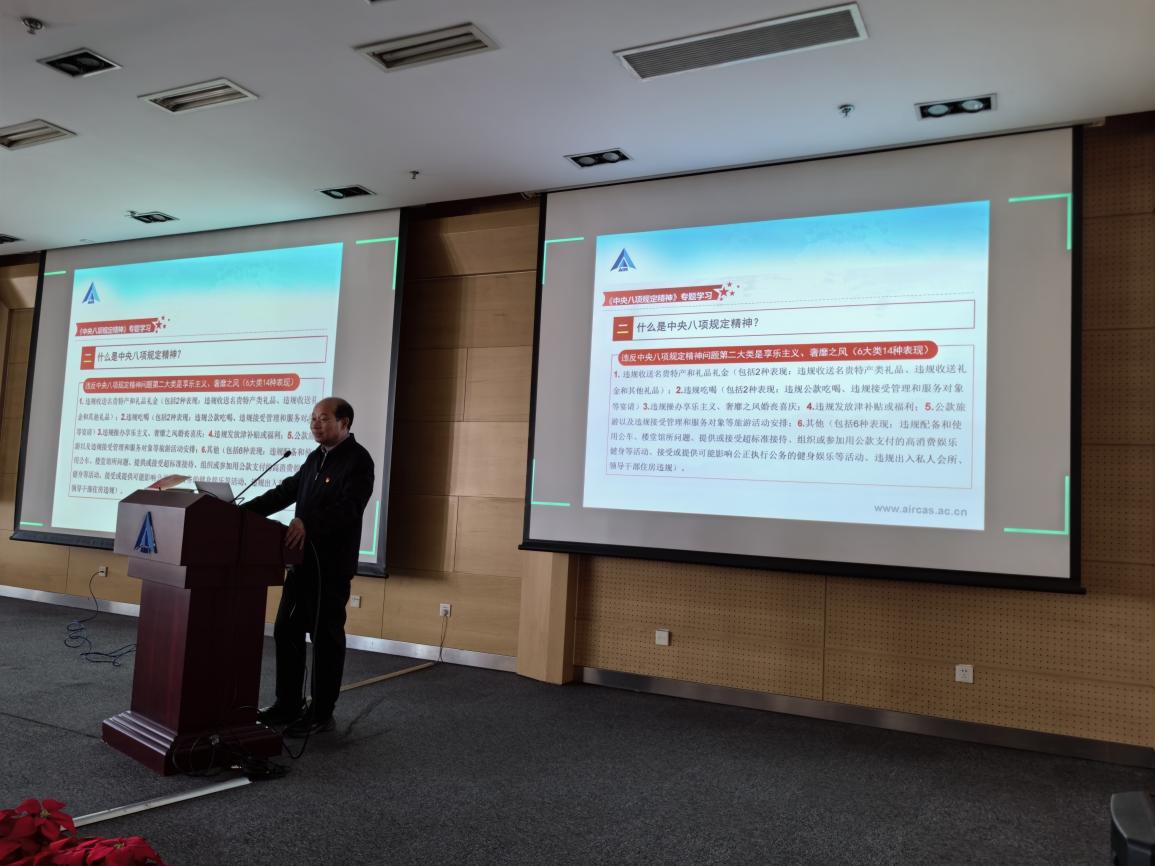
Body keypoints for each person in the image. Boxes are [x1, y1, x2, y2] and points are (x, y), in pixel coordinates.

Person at [243, 396, 374, 737]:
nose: (315, 423)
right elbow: (285, 492)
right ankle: (288, 704)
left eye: (324, 418)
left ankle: (321, 712)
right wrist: (240, 512)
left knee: (325, 639)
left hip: (330, 567)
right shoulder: (315, 457)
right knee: (286, 630)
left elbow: (349, 509)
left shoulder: (358, 461)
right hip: (301, 563)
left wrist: (308, 523)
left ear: (344, 423)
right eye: (313, 418)